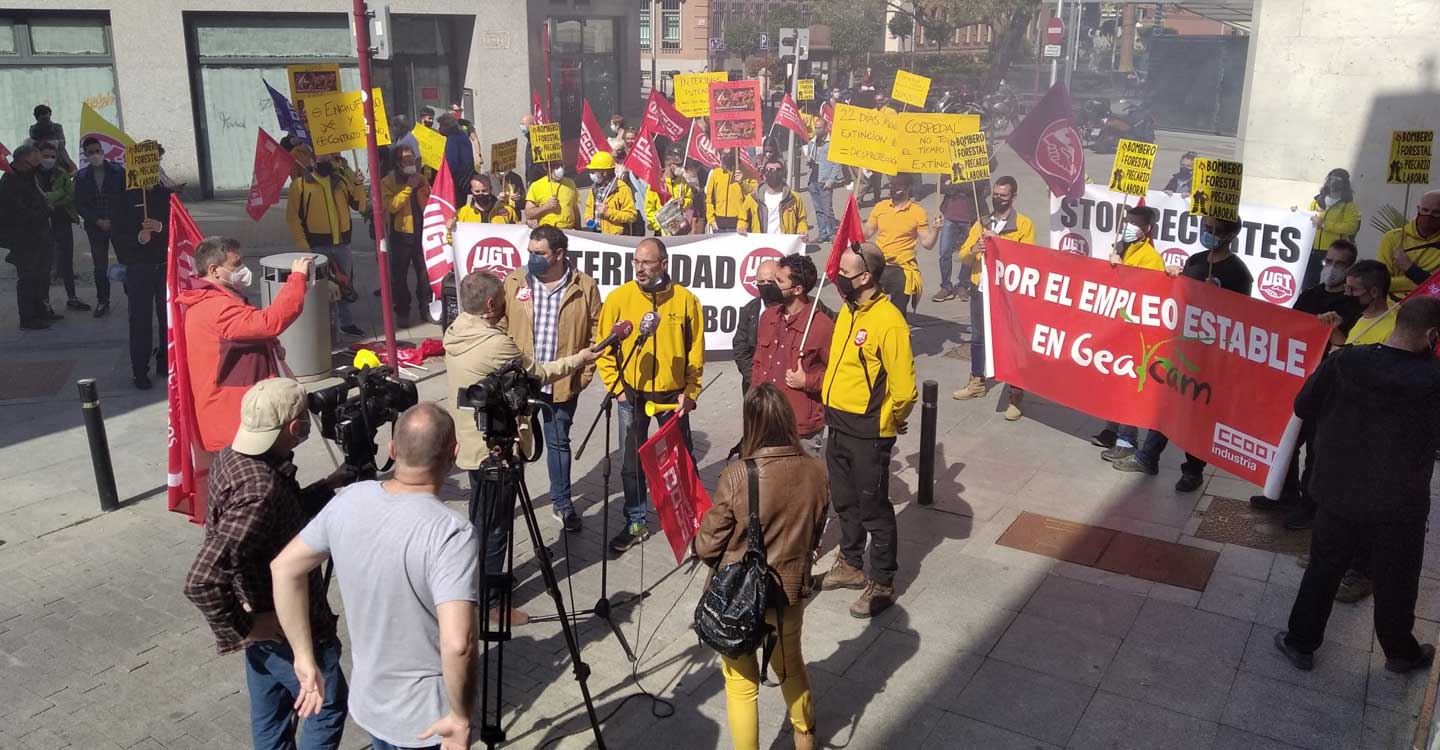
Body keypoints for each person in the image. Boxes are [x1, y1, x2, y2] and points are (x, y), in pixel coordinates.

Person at [270, 403, 477, 750]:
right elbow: (459, 644)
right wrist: (460, 717)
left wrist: (303, 658)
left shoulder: (350, 498)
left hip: (372, 706)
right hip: (429, 719)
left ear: (393, 450)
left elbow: (284, 568)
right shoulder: (451, 533)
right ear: (453, 454)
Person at [183, 378, 354, 750]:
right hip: (285, 627)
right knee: (327, 706)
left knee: (273, 716)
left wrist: (330, 485)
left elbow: (282, 518)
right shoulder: (260, 490)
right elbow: (200, 580)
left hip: (264, 628)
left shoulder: (233, 456)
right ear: (295, 427)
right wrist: (246, 627)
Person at [1273, 296, 1440, 675]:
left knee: (1323, 568)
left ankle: (1301, 643)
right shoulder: (1434, 380)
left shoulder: (1346, 361)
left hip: (1338, 491)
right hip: (1400, 503)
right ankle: (1400, 653)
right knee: (1397, 579)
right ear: (1432, 335)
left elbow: (1303, 406)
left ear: (1397, 322)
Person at [443, 271, 599, 623]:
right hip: (496, 449)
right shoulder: (497, 344)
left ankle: (479, 579)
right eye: (502, 299)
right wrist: (580, 359)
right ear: (490, 304)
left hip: (470, 444)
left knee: (479, 519)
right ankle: (490, 601)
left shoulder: (457, 330)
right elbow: (538, 373)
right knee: (497, 526)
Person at [694, 385, 827, 750]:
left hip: (738, 598)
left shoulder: (739, 474)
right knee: (791, 668)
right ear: (787, 421)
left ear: (750, 425)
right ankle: (805, 736)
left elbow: (708, 546)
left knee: (741, 685)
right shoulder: (817, 471)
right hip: (789, 593)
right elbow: (816, 532)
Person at [1112, 215, 1253, 491]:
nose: (1208, 233)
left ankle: (1193, 470)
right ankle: (1148, 457)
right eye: (1206, 228)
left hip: (1210, 355)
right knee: (1166, 401)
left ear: (1229, 236)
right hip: (1181, 345)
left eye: (1214, 230)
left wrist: (1219, 298)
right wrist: (1175, 277)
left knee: (1199, 413)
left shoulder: (1238, 273)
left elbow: (1241, 317)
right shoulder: (1196, 261)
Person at [820, 244, 917, 618]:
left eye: (844, 272)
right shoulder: (848, 311)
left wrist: (889, 419)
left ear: (865, 278)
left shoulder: (889, 321)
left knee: (873, 506)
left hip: (868, 430)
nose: (837, 277)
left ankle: (883, 581)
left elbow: (905, 389)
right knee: (844, 500)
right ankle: (850, 562)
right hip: (838, 423)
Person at [596, 238, 706, 552]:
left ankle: (695, 526)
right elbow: (604, 349)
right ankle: (636, 521)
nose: (640, 269)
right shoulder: (619, 298)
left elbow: (695, 352)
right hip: (631, 396)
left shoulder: (685, 300)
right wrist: (616, 389)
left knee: (682, 461)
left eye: (647, 262)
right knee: (630, 464)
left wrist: (691, 392)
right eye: (636, 262)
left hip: (673, 398)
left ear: (663, 264)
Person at [1249, 239, 1362, 529]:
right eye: (1329, 261)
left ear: (1350, 268)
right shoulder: (1310, 294)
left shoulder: (1352, 306)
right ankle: (1283, 494)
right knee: (1286, 440)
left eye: (1340, 264)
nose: (1332, 269)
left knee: (1316, 447)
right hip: (1297, 380)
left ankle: (1308, 506)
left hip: (1328, 386)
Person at [499, 226, 603, 532]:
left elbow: (597, 332)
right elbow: (501, 324)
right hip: (521, 382)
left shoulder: (584, 286)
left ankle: (562, 502)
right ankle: (506, 504)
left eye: (539, 253)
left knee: (559, 443)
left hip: (561, 382)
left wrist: (582, 375)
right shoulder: (516, 281)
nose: (532, 258)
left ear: (559, 254)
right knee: (513, 443)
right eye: (530, 252)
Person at [179, 237, 312, 451]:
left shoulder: (215, 299)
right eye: (235, 264)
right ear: (214, 269)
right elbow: (268, 323)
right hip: (233, 420)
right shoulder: (217, 308)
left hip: (236, 412)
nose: (242, 269)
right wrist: (297, 278)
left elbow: (247, 335)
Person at [952, 176, 1036, 409]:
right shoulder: (981, 222)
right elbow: (963, 257)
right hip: (981, 288)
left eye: (1003, 195)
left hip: (1007, 293)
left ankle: (1015, 392)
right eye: (996, 195)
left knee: (1011, 341)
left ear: (1013, 197)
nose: (998, 199)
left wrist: (1000, 243)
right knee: (978, 338)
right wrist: (973, 249)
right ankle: (977, 380)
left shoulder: (1024, 225)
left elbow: (1027, 259)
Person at [1093, 206, 1168, 456]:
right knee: (1112, 382)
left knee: (1129, 384)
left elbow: (1144, 292)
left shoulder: (1151, 258)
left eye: (1134, 223)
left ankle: (1127, 440)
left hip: (1136, 332)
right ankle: (1111, 429)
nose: (1128, 226)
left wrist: (1120, 270)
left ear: (1146, 230)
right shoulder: (1121, 249)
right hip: (1116, 326)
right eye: (1127, 221)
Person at [752, 254, 834, 457]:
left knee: (800, 487)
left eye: (779, 281)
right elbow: (758, 362)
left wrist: (808, 380)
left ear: (797, 289)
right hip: (766, 420)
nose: (771, 285)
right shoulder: (768, 317)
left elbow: (838, 375)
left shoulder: (822, 326)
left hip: (800, 427)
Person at [286, 152, 367, 337]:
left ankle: (346, 323)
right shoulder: (300, 185)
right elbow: (292, 218)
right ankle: (323, 326)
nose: (325, 162)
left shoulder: (341, 181)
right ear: (312, 160)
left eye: (328, 159)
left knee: (344, 284)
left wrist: (359, 184)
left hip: (342, 244)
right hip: (316, 246)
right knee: (320, 287)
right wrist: (303, 246)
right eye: (321, 159)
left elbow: (360, 206)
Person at [112, 166, 174, 389]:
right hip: (139, 268)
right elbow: (117, 233)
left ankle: (165, 362)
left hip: (164, 265)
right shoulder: (125, 197)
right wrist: (139, 238)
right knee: (140, 320)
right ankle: (139, 370)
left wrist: (161, 227)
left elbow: (179, 227)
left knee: (167, 317)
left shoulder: (167, 195)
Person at [862, 174, 940, 316]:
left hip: (903, 269)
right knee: (870, 308)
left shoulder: (918, 212)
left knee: (898, 312)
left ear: (908, 188)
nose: (894, 188)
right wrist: (852, 223)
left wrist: (935, 229)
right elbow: (866, 232)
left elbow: (927, 244)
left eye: (898, 185)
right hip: (879, 265)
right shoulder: (881, 206)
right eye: (892, 185)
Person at [0, 145, 57, 330]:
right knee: (27, 278)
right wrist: (43, 211)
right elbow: (17, 212)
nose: (39, 163)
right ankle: (28, 317)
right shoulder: (10, 180)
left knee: (41, 276)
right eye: (36, 159)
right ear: (24, 161)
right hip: (24, 238)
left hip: (40, 235)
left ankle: (41, 311)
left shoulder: (29, 175)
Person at [380, 144, 433, 325]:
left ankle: (425, 308)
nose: (410, 162)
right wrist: (408, 188)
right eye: (405, 160)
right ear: (397, 162)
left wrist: (422, 187)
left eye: (411, 158)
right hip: (401, 235)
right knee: (399, 276)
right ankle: (402, 310)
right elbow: (392, 206)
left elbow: (430, 199)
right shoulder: (388, 181)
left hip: (422, 233)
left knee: (425, 275)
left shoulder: (421, 178)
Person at [75, 136, 126, 318]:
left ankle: (133, 295)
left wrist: (115, 219)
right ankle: (103, 301)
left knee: (125, 260)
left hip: (118, 224)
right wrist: (97, 221)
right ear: (86, 155)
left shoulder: (117, 171)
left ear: (103, 151)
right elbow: (80, 204)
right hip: (95, 227)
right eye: (91, 153)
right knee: (100, 266)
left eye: (98, 151)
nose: (95, 155)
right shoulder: (82, 177)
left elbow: (125, 197)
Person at [35, 141, 85, 313]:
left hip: (61, 220)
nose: (49, 159)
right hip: (40, 224)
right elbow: (33, 199)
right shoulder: (31, 175)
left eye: (52, 157)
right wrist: (58, 196)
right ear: (37, 156)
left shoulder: (61, 173)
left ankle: (72, 297)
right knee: (44, 264)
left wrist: (50, 198)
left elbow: (70, 196)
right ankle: (44, 303)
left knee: (66, 262)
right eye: (45, 156)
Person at [933, 174, 990, 302]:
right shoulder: (948, 166)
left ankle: (963, 285)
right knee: (944, 253)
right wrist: (961, 186)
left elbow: (980, 186)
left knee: (968, 253)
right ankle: (946, 287)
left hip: (970, 217)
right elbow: (941, 187)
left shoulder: (973, 165)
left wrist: (953, 184)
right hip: (949, 216)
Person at [1303, 168, 1362, 291]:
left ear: (1344, 184)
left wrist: (1325, 224)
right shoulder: (1317, 201)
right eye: (1332, 178)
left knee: (1329, 284)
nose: (1334, 182)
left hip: (1334, 251)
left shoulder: (1348, 205)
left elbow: (1351, 227)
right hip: (1313, 250)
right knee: (1309, 283)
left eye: (1338, 179)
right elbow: (1308, 218)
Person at [1378, 190, 1440, 300]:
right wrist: (1421, 280)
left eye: (1436, 212)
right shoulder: (1392, 238)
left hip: (1431, 306)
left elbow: (1437, 287)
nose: (1428, 216)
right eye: (1425, 210)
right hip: (1391, 306)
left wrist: (1409, 268)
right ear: (1418, 209)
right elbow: (1380, 282)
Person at [733, 259, 778, 399]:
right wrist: (753, 378)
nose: (766, 286)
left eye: (770, 282)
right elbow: (740, 347)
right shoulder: (750, 310)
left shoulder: (798, 306)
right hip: (755, 386)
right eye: (761, 282)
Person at [737, 160, 809, 237]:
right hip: (762, 245)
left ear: (783, 174)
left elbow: (801, 219)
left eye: (778, 170)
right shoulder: (752, 198)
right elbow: (743, 219)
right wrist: (742, 227)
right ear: (764, 174)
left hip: (786, 246)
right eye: (769, 170)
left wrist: (802, 231)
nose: (773, 173)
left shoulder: (794, 198)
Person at [582, 152, 638, 235]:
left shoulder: (622, 188)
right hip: (597, 235)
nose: (591, 174)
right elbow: (589, 208)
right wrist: (588, 217)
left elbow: (631, 216)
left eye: (594, 171)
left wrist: (608, 212)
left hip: (616, 239)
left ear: (604, 172)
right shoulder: (594, 188)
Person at [706, 150, 757, 233]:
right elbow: (709, 200)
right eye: (722, 154)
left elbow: (753, 196)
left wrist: (742, 182)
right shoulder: (716, 174)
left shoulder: (746, 173)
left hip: (738, 225)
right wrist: (711, 219)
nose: (724, 157)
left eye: (728, 155)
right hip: (719, 225)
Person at [807, 120, 840, 242]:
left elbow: (837, 164)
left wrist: (831, 180)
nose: (817, 130)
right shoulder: (812, 142)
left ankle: (832, 234)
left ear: (826, 128)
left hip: (825, 180)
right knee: (818, 210)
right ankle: (822, 234)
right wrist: (809, 160)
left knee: (827, 210)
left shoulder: (832, 143)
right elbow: (810, 160)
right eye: (816, 127)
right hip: (813, 180)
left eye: (820, 128)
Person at [523, 160, 580, 230]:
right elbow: (528, 214)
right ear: (545, 167)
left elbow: (575, 209)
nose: (559, 169)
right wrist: (546, 207)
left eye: (560, 165)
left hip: (569, 230)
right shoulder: (536, 186)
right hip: (547, 231)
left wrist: (579, 230)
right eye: (554, 165)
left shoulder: (570, 183)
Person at [26, 105, 75, 172]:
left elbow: (62, 143)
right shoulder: (34, 129)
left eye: (47, 117)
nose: (45, 121)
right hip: (43, 159)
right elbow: (35, 146)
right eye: (43, 118)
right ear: (37, 117)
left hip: (60, 158)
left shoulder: (57, 127)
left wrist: (49, 143)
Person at [437, 113, 474, 198]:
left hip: (457, 180)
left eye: (441, 125)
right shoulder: (463, 136)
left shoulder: (452, 139)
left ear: (447, 126)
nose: (439, 128)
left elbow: (451, 163)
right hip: (466, 177)